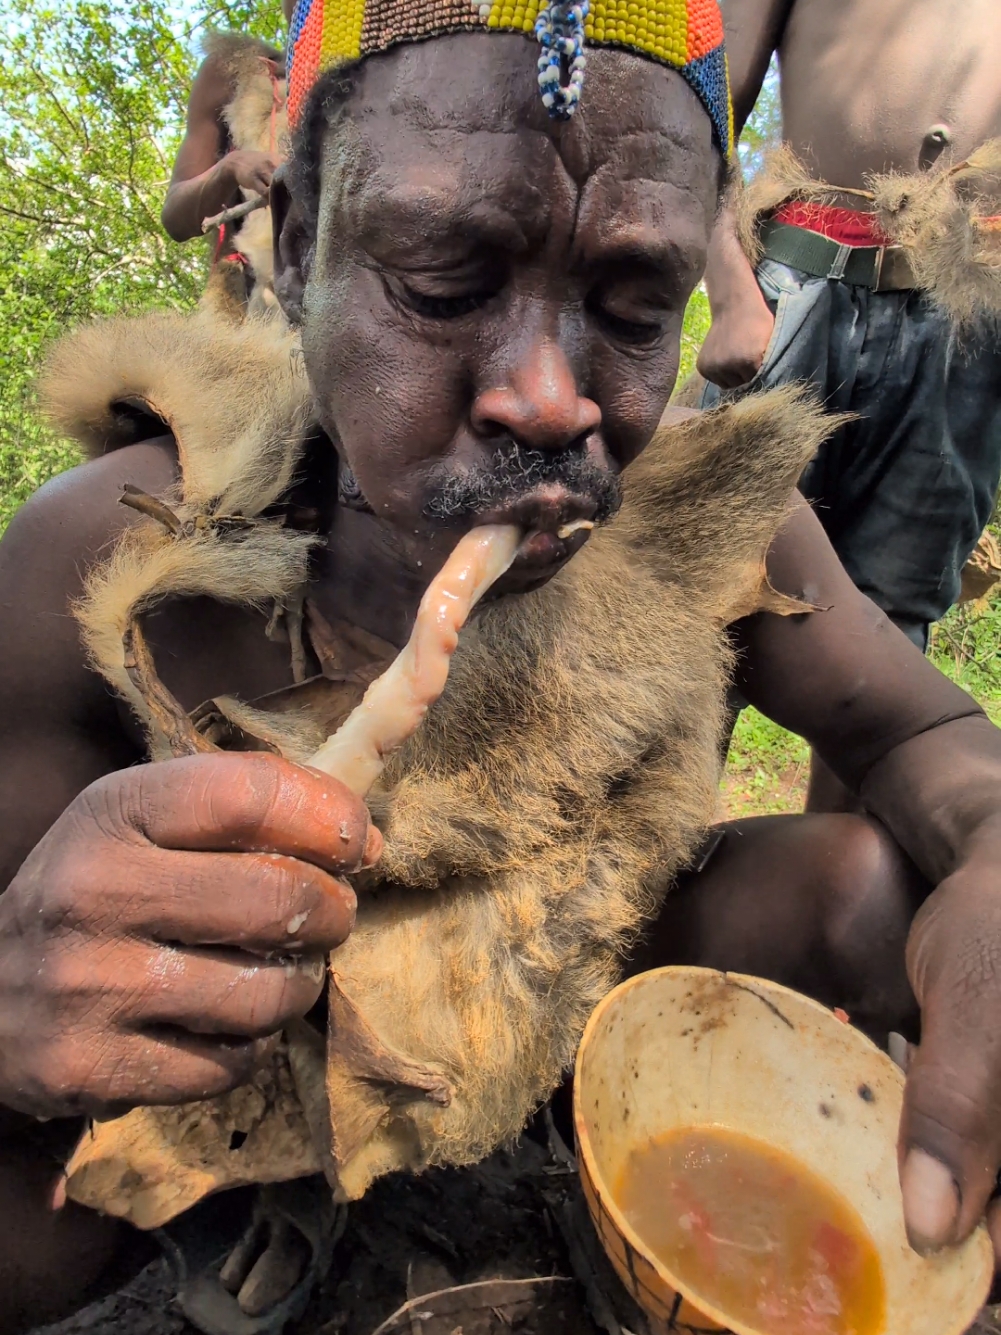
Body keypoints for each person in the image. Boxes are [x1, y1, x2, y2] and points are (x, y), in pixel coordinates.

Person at [3, 1, 1001, 1331]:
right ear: (300, 250)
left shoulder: (704, 524)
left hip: (552, 1023)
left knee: (873, 884)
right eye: (442, 284)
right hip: (210, 1098)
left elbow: (924, 736)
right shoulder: (120, 562)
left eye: (636, 308)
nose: (547, 396)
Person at [696, 0, 1001, 665]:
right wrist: (728, 292)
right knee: (711, 588)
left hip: (963, 327)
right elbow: (702, 110)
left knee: (890, 626)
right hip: (789, 300)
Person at [161, 0, 297, 316]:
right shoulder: (235, 73)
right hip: (260, 321)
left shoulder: (379, 74)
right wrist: (231, 167)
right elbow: (177, 220)